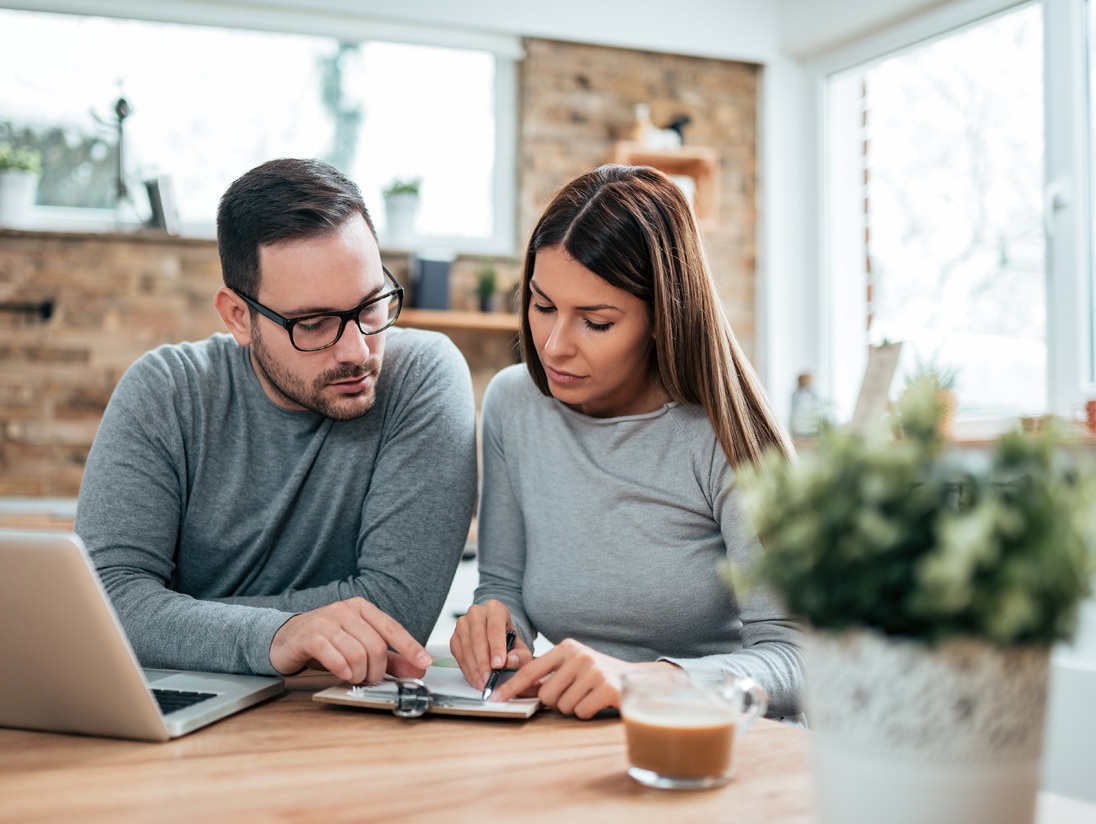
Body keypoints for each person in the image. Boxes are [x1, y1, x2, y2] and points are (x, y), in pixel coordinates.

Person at [75, 158, 478, 686]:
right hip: (178, 709)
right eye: (313, 324)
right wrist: (278, 634)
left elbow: (395, 612)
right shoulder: (167, 392)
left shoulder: (423, 377)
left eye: (372, 305)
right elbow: (106, 604)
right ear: (239, 317)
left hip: (342, 716)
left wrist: (176, 618)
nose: (358, 351)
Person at [450, 164, 802, 719]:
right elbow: (503, 587)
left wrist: (648, 682)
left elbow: (796, 658)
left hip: (718, 747)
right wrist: (495, 624)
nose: (554, 346)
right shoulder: (513, 406)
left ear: (663, 319)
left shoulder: (727, 436)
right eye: (542, 307)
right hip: (584, 740)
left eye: (596, 322)